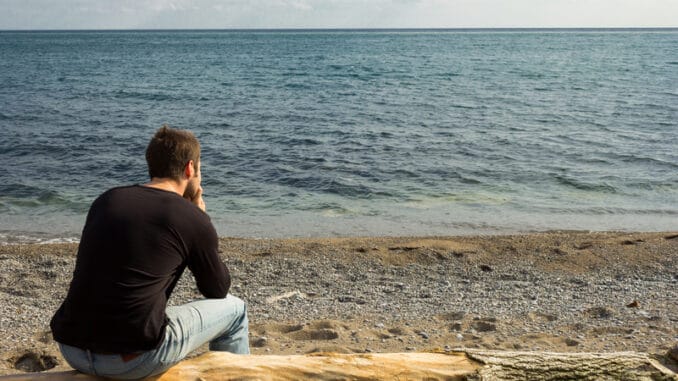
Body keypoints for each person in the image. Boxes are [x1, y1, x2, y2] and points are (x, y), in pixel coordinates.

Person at [50, 125, 249, 379]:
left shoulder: (107, 199)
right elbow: (217, 290)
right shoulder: (190, 217)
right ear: (190, 168)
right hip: (131, 359)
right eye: (199, 170)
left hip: (72, 348)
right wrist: (200, 218)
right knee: (236, 309)